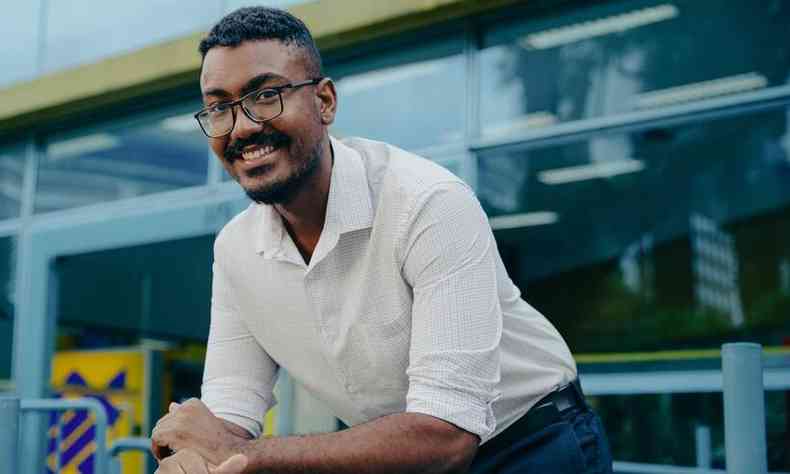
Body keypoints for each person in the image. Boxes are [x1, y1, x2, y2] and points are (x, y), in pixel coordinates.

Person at [150, 6, 613, 474]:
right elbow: (228, 416)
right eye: (218, 107)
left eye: (266, 95)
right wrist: (193, 460)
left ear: (325, 101)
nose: (242, 126)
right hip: (404, 455)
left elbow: (447, 437)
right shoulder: (235, 250)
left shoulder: (429, 203)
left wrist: (238, 453)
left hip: (532, 443)